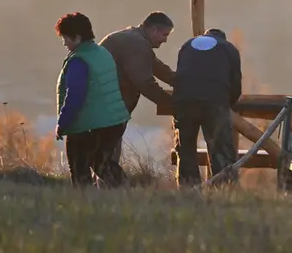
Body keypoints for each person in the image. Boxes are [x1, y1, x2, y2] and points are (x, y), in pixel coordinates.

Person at [54, 12, 132, 187]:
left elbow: (74, 96)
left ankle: (83, 199)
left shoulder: (79, 60)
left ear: (77, 37)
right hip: (113, 121)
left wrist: (63, 123)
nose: (64, 43)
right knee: (103, 164)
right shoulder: (101, 52)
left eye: (66, 38)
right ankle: (128, 192)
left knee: (79, 167)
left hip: (88, 125)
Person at [98, 12, 176, 166]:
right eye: (164, 34)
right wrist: (171, 102)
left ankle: (99, 180)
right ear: (154, 30)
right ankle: (108, 180)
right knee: (108, 152)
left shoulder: (135, 40)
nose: (165, 40)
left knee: (105, 150)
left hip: (106, 103)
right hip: (109, 107)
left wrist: (182, 82)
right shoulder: (136, 44)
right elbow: (144, 83)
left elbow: (157, 67)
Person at [171, 27, 242, 187]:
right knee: (221, 148)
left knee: (186, 147)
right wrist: (227, 103)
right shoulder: (229, 49)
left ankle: (189, 188)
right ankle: (223, 187)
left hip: (184, 101)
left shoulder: (187, 45)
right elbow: (236, 85)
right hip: (215, 101)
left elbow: (180, 74)